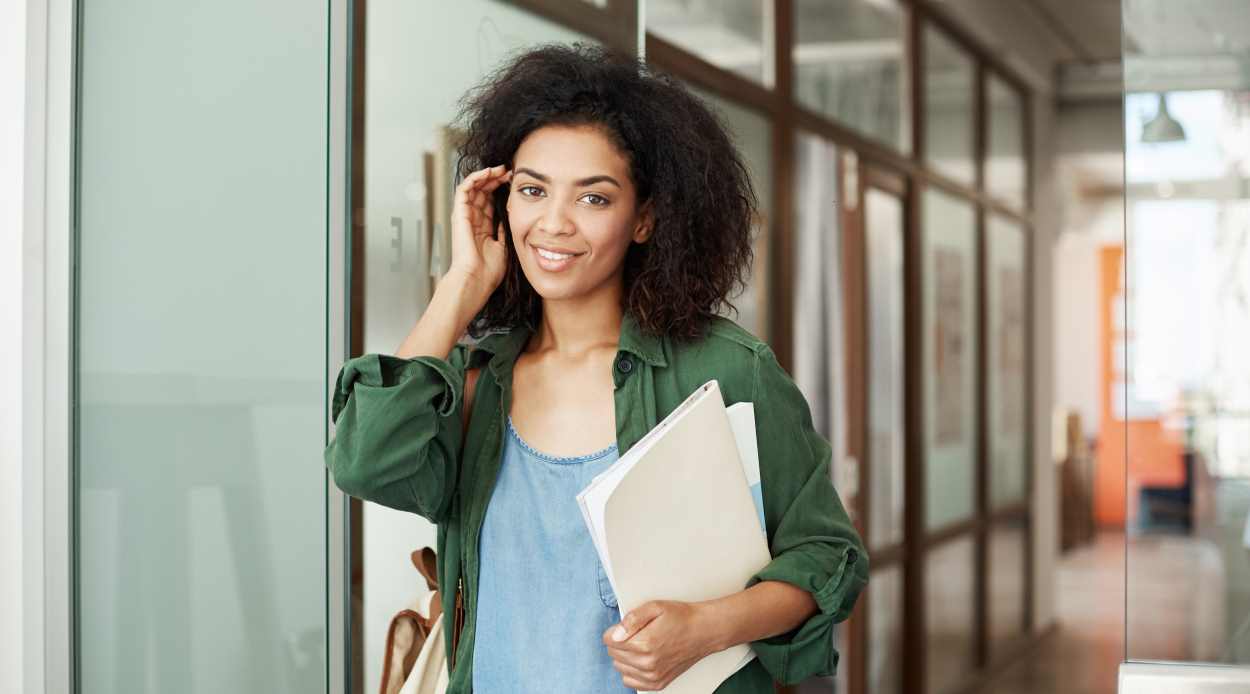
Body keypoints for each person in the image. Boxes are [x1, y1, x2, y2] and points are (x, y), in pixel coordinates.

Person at [325, 42, 867, 693]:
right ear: (503, 205)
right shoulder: (475, 381)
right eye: (532, 191)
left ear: (644, 219)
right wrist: (462, 282)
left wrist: (706, 627)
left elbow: (827, 556)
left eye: (594, 199)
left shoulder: (725, 370)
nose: (553, 224)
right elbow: (363, 461)